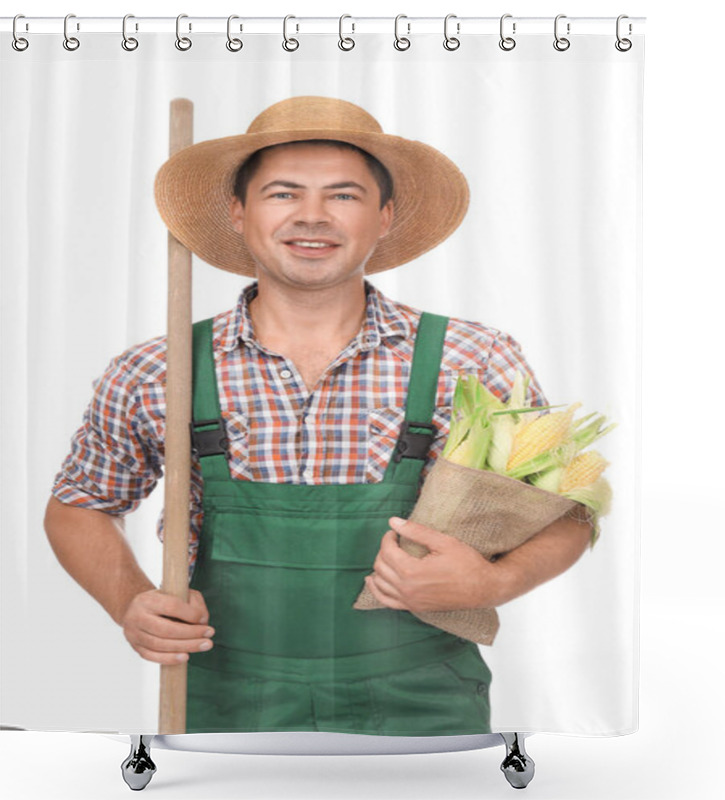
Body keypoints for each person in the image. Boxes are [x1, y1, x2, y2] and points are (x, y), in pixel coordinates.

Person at [44, 96, 593, 736]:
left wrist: (494, 583)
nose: (312, 217)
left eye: (344, 196)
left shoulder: (472, 359)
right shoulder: (159, 369)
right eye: (282, 194)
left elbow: (569, 517)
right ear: (237, 212)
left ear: (385, 216)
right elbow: (79, 502)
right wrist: (130, 601)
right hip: (225, 701)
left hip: (423, 700)